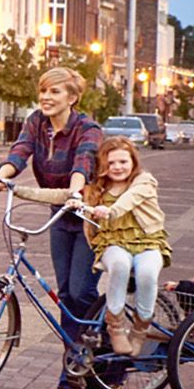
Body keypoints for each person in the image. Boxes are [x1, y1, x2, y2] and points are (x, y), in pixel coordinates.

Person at [0, 65, 102, 389]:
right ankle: (74, 364)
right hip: (59, 213)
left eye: (54, 91)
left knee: (81, 291)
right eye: (43, 90)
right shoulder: (36, 122)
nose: (46, 97)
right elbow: (21, 151)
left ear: (73, 97)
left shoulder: (88, 127)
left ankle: (90, 354)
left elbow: (84, 161)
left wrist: (76, 193)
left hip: (88, 216)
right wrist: (4, 174)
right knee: (65, 293)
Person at [72, 140, 168, 357]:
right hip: (113, 243)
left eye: (123, 161)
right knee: (120, 265)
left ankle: (140, 329)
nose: (117, 167)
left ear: (133, 162)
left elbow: (129, 200)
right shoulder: (98, 189)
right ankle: (115, 327)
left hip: (147, 242)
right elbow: (59, 194)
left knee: (147, 273)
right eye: (111, 162)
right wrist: (17, 189)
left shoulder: (144, 181)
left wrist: (110, 211)